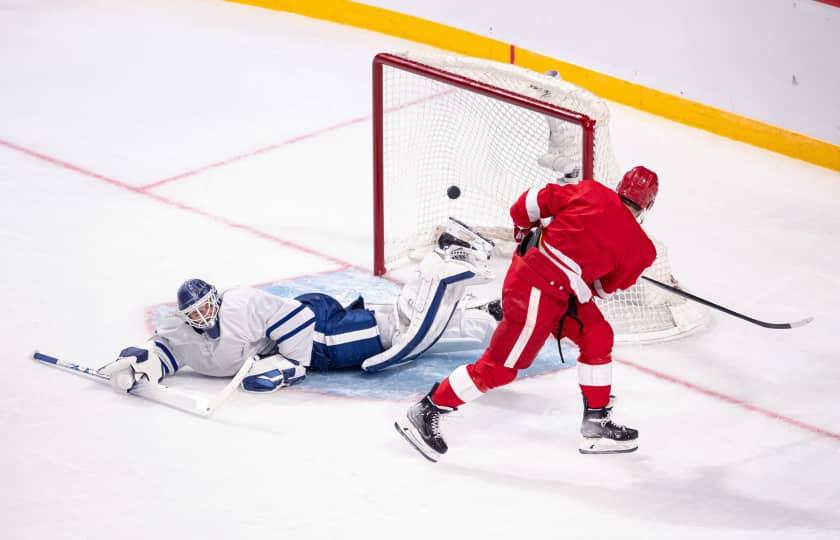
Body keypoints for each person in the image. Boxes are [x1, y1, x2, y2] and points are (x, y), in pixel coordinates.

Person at [395, 166, 659, 461]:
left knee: (597, 334)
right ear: (648, 205)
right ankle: (428, 409)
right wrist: (599, 259)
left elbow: (528, 203)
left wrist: (522, 229)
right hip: (536, 291)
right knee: (500, 368)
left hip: (545, 283)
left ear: (620, 187)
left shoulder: (591, 190)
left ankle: (596, 422)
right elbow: (603, 289)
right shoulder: (643, 250)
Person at [98, 220, 501, 395]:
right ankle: (485, 317)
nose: (203, 317)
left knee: (394, 331)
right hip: (311, 337)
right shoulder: (183, 335)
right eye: (196, 314)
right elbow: (165, 354)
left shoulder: (240, 303)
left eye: (206, 307)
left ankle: (446, 260)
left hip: (316, 331)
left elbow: (294, 319)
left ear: (216, 299)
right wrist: (140, 367)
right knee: (402, 335)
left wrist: (288, 367)